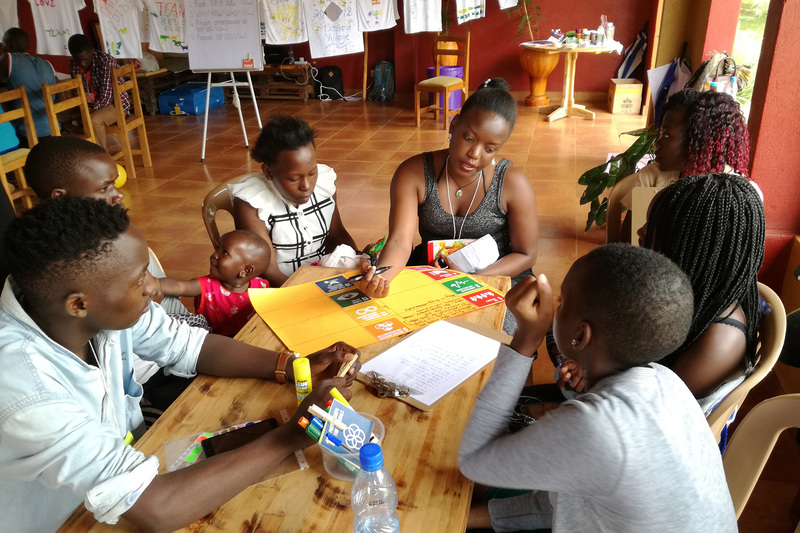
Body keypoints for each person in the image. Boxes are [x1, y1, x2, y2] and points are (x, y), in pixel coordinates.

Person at [0, 196, 361, 532]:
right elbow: (157, 508)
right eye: (138, 278)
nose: (151, 286)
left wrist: (294, 365)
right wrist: (296, 432)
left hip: (125, 471)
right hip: (66, 519)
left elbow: (188, 344)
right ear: (78, 304)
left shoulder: (89, 308)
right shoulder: (26, 386)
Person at [459, 244, 736, 532]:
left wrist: (526, 339)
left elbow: (473, 459)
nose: (555, 307)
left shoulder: (595, 427)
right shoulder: (666, 381)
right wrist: (463, 521)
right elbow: (562, 503)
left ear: (581, 335)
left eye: (562, 302)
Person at [357, 78, 538, 302]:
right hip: (432, 274)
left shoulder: (512, 184)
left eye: (489, 149)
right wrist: (383, 277)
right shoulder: (413, 173)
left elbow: (526, 254)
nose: (475, 154)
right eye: (469, 138)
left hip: (495, 276)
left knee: (493, 332)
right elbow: (399, 241)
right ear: (454, 126)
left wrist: (473, 279)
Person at [229, 114, 358, 287]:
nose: (306, 186)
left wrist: (359, 259)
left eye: (312, 173)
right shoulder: (252, 203)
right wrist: (311, 293)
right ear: (268, 172)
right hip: (280, 287)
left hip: (322, 278)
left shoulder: (324, 184)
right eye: (293, 179)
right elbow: (268, 270)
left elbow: (336, 235)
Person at [612, 89, 755, 242]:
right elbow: (628, 242)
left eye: (667, 135)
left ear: (700, 143)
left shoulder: (737, 195)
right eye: (660, 134)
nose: (657, 144)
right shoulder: (651, 177)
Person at [158, 230, 271, 336]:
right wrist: (153, 283)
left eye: (224, 252)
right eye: (217, 249)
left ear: (245, 271)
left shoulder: (262, 287)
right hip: (214, 343)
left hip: (249, 338)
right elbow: (179, 286)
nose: (215, 255)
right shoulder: (205, 286)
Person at [68, 33, 130, 150]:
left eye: (85, 60)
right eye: (78, 60)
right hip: (92, 105)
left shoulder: (106, 61)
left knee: (93, 120)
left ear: (92, 51)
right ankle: (77, 156)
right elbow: (77, 89)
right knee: (61, 117)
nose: (82, 63)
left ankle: (100, 156)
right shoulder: (72, 63)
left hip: (115, 105)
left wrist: (92, 109)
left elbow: (107, 96)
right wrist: (83, 99)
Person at [0, 28, 57, 143]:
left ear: (6, 46)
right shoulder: (46, 63)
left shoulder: (8, 58)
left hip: (27, 134)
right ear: (27, 46)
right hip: (54, 128)